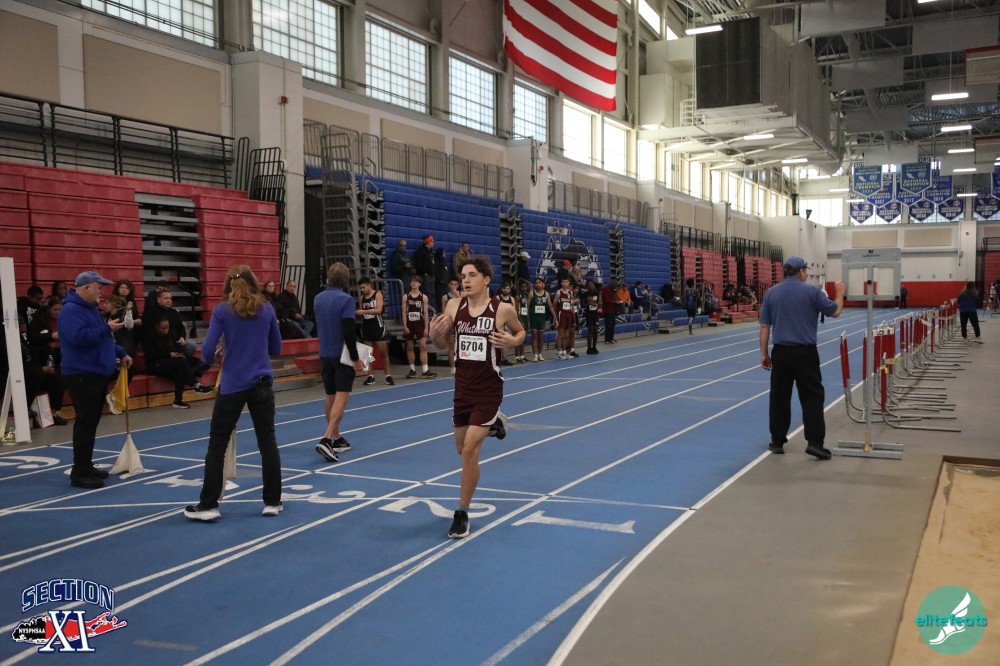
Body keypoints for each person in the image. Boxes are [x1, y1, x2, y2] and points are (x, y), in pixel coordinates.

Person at [429, 256, 525, 538]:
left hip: (488, 388)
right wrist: (434, 336)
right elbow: (441, 344)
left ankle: (462, 512)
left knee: (470, 451)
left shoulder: (502, 309)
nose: (466, 280)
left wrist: (511, 341)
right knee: (461, 449)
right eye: (462, 276)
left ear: (486, 279)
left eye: (471, 275)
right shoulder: (453, 306)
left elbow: (521, 331)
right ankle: (495, 422)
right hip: (462, 388)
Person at [184, 264, 283, 521]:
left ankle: (209, 504)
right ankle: (272, 501)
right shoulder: (267, 309)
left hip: (232, 384)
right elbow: (276, 347)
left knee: (218, 443)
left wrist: (217, 356)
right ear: (254, 282)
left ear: (228, 284)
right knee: (267, 441)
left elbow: (207, 351)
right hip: (261, 382)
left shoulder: (222, 311)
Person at [759, 256, 845, 461]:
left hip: (781, 352)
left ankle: (777, 441)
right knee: (812, 396)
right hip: (805, 353)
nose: (806, 274)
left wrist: (764, 354)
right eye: (805, 270)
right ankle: (814, 442)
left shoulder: (771, 293)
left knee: (779, 396)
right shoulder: (812, 291)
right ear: (800, 272)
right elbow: (835, 311)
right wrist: (840, 292)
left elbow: (765, 326)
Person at [58, 271, 133, 488]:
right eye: (98, 287)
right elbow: (78, 337)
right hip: (82, 372)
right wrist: (105, 328)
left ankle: (85, 465)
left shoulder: (90, 309)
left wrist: (120, 352)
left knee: (91, 421)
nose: (101, 291)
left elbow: (104, 338)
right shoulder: (71, 310)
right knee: (86, 421)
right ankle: (79, 471)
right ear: (86, 288)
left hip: (95, 372)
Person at [314, 262, 365, 463]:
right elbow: (348, 331)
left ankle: (336, 438)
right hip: (341, 355)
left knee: (330, 396)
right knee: (342, 397)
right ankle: (327, 439)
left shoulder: (318, 298)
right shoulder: (346, 300)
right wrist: (356, 358)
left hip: (324, 353)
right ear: (345, 279)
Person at [143, 316, 213, 408]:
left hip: (168, 362)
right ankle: (197, 385)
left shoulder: (169, 335)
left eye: (167, 328)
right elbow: (151, 356)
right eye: (163, 329)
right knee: (181, 361)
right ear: (156, 327)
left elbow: (175, 348)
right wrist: (169, 355)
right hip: (154, 364)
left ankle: (178, 401)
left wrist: (179, 353)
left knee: (180, 371)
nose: (166, 330)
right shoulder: (149, 338)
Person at [357, 277, 394, 386]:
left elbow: (379, 310)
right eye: (360, 288)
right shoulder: (362, 297)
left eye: (363, 287)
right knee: (368, 353)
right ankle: (370, 376)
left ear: (369, 285)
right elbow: (361, 311)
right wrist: (361, 312)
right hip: (366, 327)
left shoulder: (377, 294)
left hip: (377, 326)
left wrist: (364, 311)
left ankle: (388, 375)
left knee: (383, 352)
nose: (362, 290)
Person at [402, 276, 437, 379]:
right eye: (412, 282)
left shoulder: (423, 297)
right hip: (410, 324)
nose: (414, 283)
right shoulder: (405, 297)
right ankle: (412, 370)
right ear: (410, 284)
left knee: (423, 346)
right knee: (409, 347)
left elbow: (425, 313)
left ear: (419, 284)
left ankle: (425, 370)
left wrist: (426, 328)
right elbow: (404, 312)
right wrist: (405, 326)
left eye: (416, 282)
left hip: (420, 323)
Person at [27, 297, 62, 368]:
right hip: (44, 355)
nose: (58, 312)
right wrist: (50, 336)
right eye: (55, 310)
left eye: (60, 310)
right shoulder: (39, 319)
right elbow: (32, 337)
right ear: (48, 309)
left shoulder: (64, 319)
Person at [528, 277, 557, 361]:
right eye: (536, 283)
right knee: (534, 336)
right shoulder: (531, 293)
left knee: (541, 337)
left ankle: (540, 354)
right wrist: (528, 319)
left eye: (539, 282)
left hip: (542, 318)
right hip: (533, 317)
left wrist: (555, 316)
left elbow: (550, 306)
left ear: (543, 284)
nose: (537, 284)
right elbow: (527, 306)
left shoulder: (546, 294)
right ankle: (535, 355)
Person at [441, 278, 463, 374]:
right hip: (450, 323)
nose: (453, 286)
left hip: (461, 322)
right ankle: (452, 367)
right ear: (449, 285)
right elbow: (444, 312)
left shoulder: (462, 294)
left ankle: (461, 365)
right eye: (452, 284)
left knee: (461, 345)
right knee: (451, 345)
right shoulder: (445, 297)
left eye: (455, 284)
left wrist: (457, 295)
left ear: (458, 285)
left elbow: (465, 305)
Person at [554, 277, 578, 359]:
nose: (565, 283)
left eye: (566, 282)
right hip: (561, 314)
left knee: (566, 335)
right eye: (563, 282)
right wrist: (555, 317)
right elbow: (554, 305)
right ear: (561, 283)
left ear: (569, 283)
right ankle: (559, 352)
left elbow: (572, 306)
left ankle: (564, 352)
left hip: (569, 315)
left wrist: (573, 318)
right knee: (560, 334)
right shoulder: (559, 292)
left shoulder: (570, 292)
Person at [496, 281, 517, 366]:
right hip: (499, 322)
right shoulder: (497, 298)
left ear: (510, 290)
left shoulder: (512, 299)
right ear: (501, 289)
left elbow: (514, 312)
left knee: (506, 341)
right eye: (504, 288)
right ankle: (497, 358)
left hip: (508, 323)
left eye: (507, 289)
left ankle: (504, 358)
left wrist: (514, 323)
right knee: (498, 341)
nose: (506, 290)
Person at [414, 235, 436, 304]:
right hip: (425, 275)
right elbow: (418, 264)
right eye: (432, 241)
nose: (433, 243)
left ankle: (432, 308)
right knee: (427, 293)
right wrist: (424, 273)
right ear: (428, 242)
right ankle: (427, 307)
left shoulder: (431, 251)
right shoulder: (420, 251)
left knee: (432, 293)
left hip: (431, 274)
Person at [514, 280, 531, 362]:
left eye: (525, 287)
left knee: (523, 339)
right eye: (522, 287)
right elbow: (516, 310)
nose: (524, 288)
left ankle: (522, 355)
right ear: (520, 288)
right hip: (520, 318)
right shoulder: (518, 296)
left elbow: (527, 309)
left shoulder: (526, 295)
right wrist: (520, 321)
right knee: (518, 338)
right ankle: (517, 356)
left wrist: (528, 320)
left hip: (525, 318)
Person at [583, 280, 601, 354]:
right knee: (590, 330)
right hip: (589, 314)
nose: (591, 285)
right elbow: (582, 304)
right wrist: (589, 304)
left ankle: (594, 346)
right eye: (589, 284)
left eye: (592, 284)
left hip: (595, 314)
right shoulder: (585, 294)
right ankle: (589, 348)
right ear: (587, 286)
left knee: (595, 331)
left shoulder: (597, 293)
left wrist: (599, 304)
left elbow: (599, 301)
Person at [600, 278, 618, 344]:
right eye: (615, 286)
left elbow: (615, 297)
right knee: (608, 325)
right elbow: (606, 300)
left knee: (613, 324)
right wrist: (615, 302)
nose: (616, 287)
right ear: (612, 284)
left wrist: (617, 300)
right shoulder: (605, 289)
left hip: (613, 310)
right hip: (608, 310)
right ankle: (607, 339)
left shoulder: (613, 290)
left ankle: (611, 338)